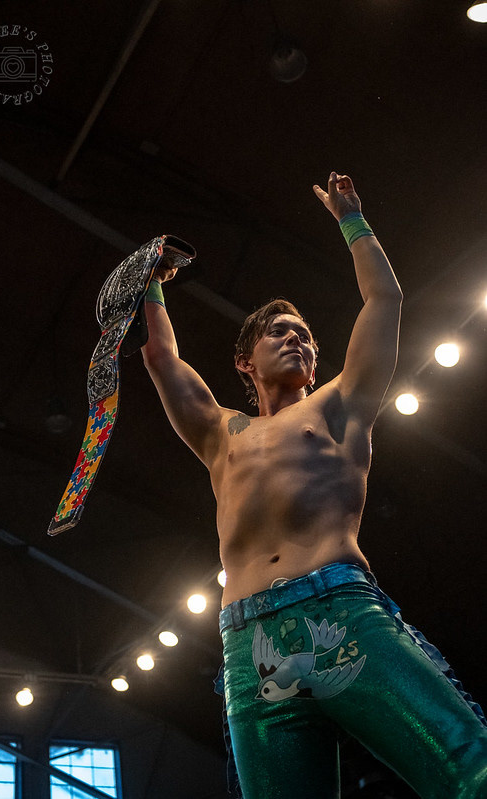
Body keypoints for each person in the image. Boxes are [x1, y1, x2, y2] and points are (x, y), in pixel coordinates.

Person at [141, 173, 487, 798]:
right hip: (249, 646)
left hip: (340, 613)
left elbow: (385, 300)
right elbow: (163, 358)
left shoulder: (340, 405)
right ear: (244, 361)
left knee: (469, 766)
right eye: (279, 331)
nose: (296, 339)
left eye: (304, 334)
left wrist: (352, 221)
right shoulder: (221, 433)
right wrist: (151, 284)